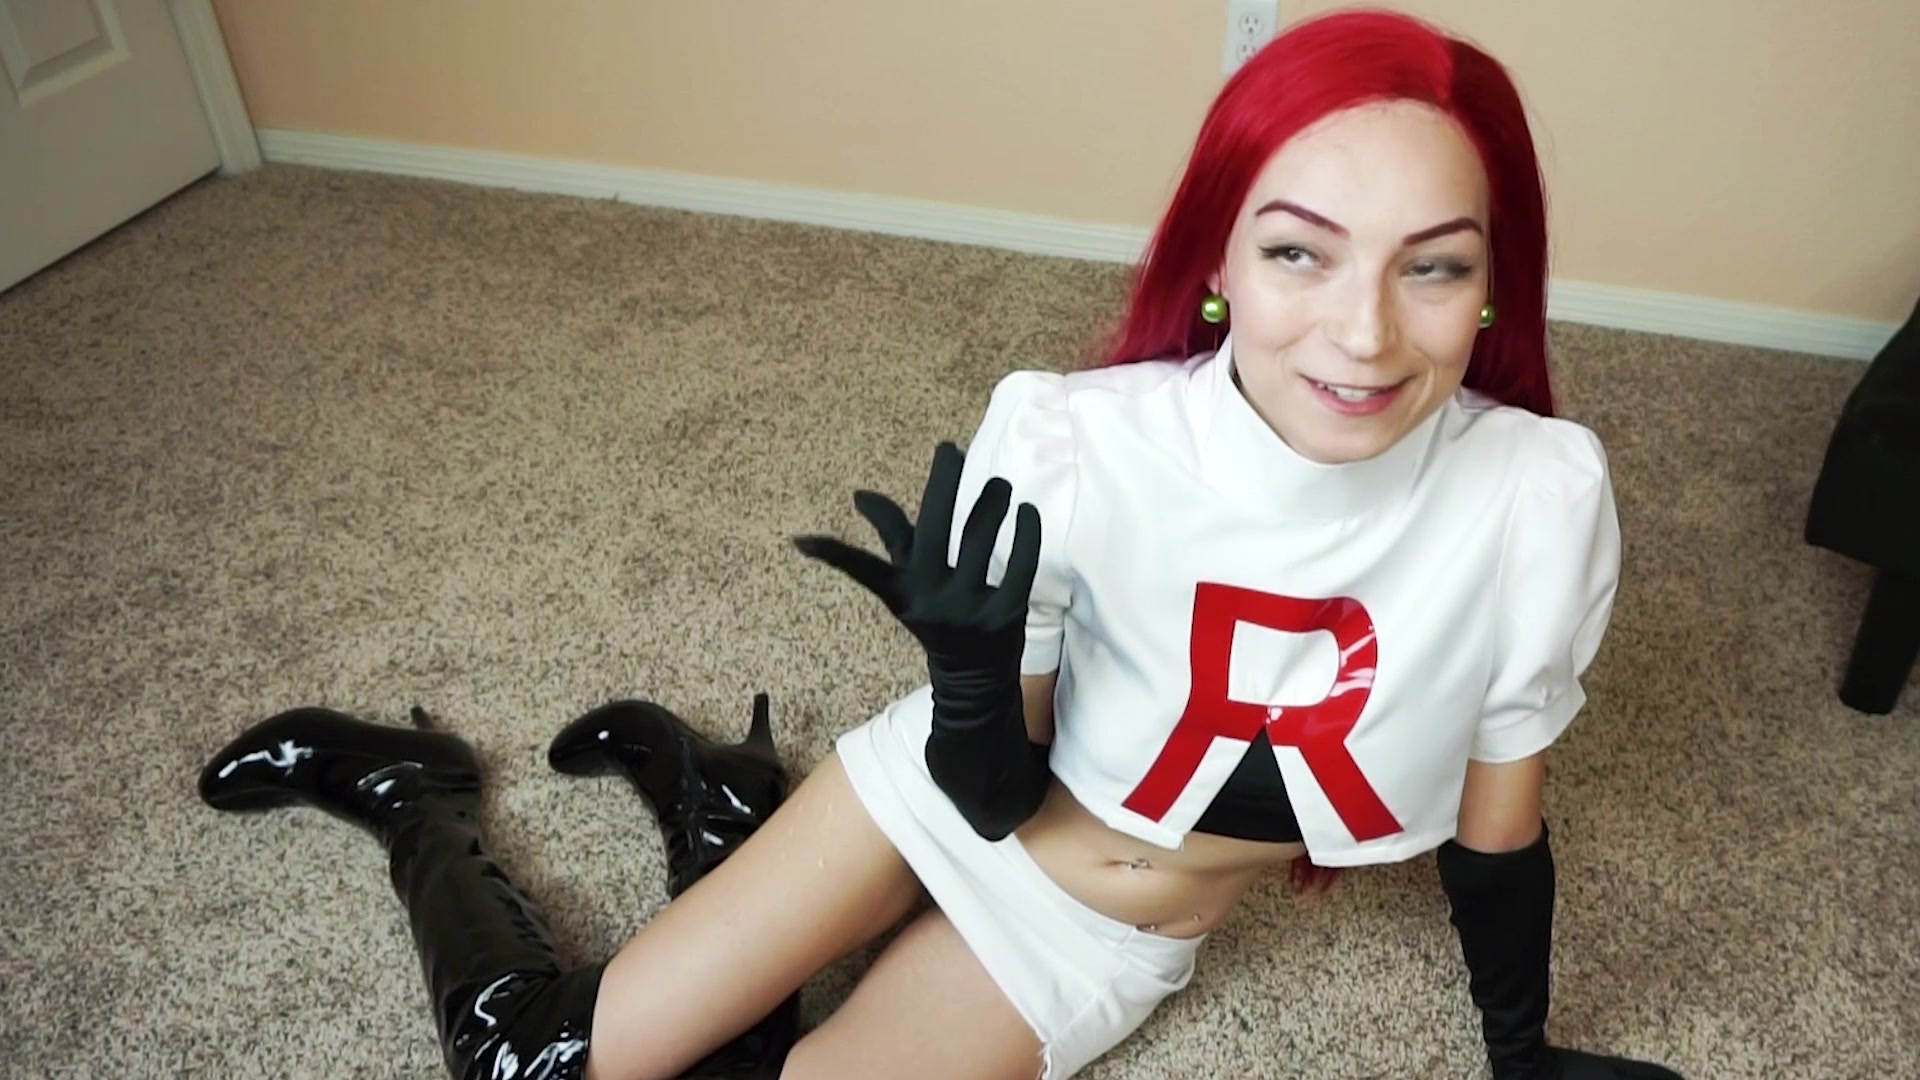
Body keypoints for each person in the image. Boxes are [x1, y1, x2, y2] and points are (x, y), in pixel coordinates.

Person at [196, 8, 1688, 1080]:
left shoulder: (1533, 501)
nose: (1362, 333)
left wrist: (1522, 1056)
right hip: (931, 803)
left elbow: (1499, 828)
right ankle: (416, 793)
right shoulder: (1078, 444)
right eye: (1299, 250)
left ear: (1494, 286)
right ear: (1219, 263)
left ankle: (720, 808)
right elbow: (990, 791)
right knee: (537, 1064)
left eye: (1433, 268)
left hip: (1090, 939)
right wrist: (973, 678)